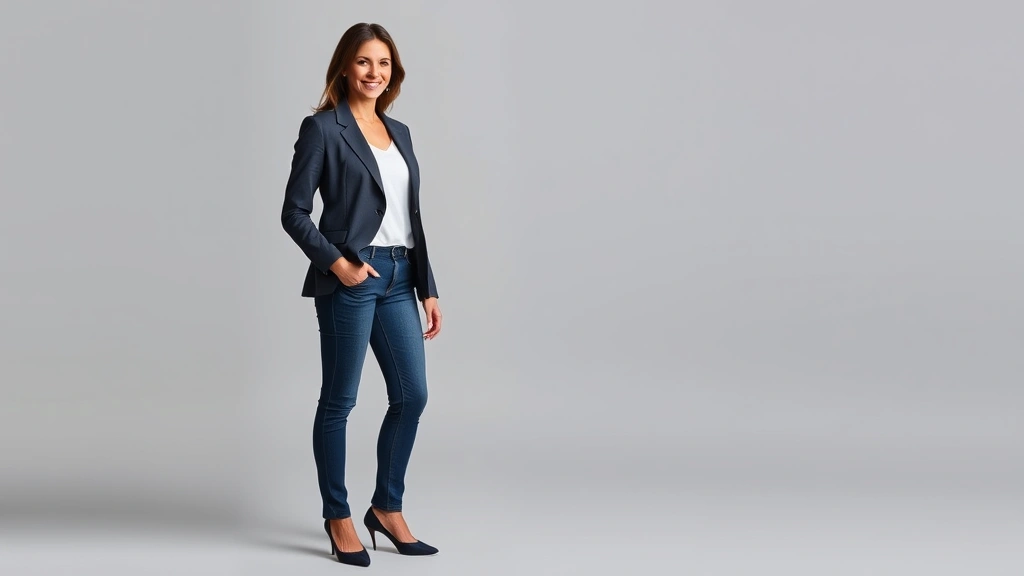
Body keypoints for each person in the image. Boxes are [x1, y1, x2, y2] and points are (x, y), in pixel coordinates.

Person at [280, 22, 442, 567]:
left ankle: (387, 509)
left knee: (412, 395)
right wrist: (339, 264)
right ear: (345, 67)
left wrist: (428, 286)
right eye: (365, 62)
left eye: (384, 65)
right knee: (340, 401)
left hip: (399, 276)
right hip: (352, 278)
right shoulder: (323, 128)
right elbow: (294, 212)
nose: (375, 73)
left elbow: (410, 218)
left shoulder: (402, 132)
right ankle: (338, 515)